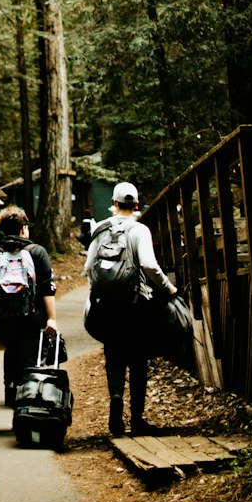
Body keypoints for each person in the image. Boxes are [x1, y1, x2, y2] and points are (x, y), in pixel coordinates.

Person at [84, 180, 177, 436]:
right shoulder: (139, 230)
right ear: (135, 204)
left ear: (113, 204)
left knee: (114, 356)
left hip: (107, 306)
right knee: (138, 361)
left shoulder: (100, 230)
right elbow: (149, 264)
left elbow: (88, 266)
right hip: (135, 306)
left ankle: (116, 397)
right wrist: (168, 287)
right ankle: (136, 419)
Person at [0, 204, 57, 408]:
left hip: (7, 316)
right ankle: (28, 400)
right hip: (33, 316)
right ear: (23, 227)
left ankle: (10, 391)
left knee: (11, 352)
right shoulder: (38, 252)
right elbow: (47, 288)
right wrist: (52, 318)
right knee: (31, 357)